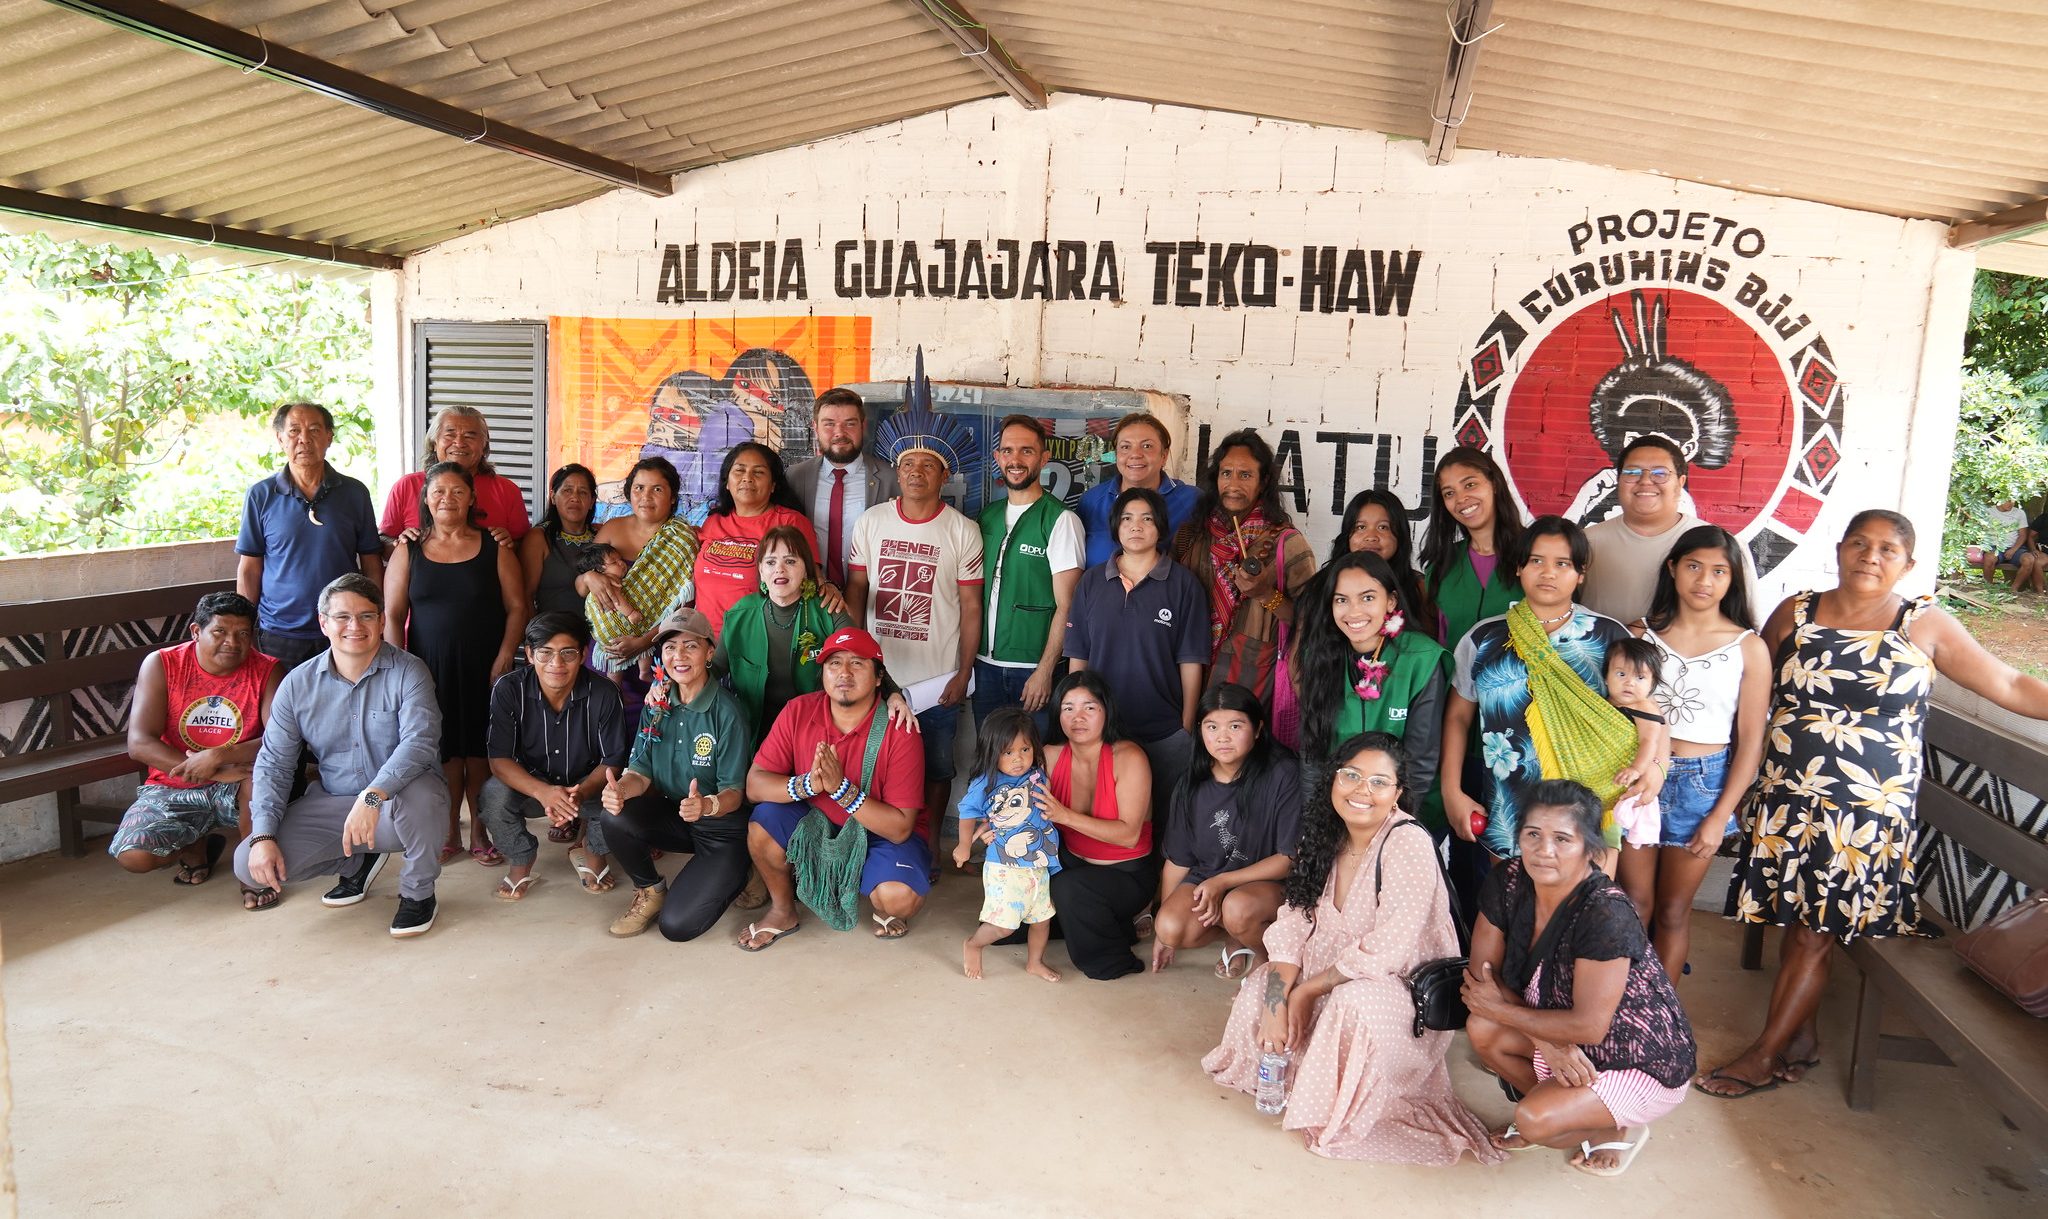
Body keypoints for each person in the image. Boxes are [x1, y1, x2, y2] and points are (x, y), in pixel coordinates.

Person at [1698, 509, 2048, 1098]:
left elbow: (2010, 684)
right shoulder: (1795, 613)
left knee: (1814, 932)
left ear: (1908, 565)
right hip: (1788, 797)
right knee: (1798, 920)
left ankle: (1764, 1054)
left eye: (1888, 549)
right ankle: (1802, 1038)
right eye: (1860, 543)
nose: (1871, 556)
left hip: (1866, 814)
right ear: (1839, 549)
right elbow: (1745, 684)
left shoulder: (1925, 624)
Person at [1203, 734, 1500, 1166]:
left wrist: (1306, 992)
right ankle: (1300, 1079)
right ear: (1333, 779)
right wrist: (1277, 998)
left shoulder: (1407, 842)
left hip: (1391, 989)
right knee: (1262, 987)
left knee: (1351, 1003)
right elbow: (1293, 921)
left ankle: (1331, 1094)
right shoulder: (1324, 834)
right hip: (1328, 973)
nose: (1363, 790)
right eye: (1352, 776)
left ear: (1397, 793)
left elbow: (1388, 948)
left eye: (1379, 782)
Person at [1464, 781, 1696, 1178]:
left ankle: (1611, 1123)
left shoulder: (1604, 913)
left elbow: (1589, 1027)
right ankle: (1585, 1114)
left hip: (1636, 1057)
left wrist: (1514, 1017)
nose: (1544, 850)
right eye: (1532, 835)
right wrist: (1546, 1042)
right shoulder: (1510, 880)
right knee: (1481, 1027)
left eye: (1562, 839)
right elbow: (1481, 979)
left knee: (1534, 1120)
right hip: (1561, 1035)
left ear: (1590, 849)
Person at [233, 573, 448, 936]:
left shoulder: (409, 671)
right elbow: (274, 763)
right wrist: (263, 835)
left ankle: (418, 894)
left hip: (397, 802)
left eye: (366, 616)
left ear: (382, 621)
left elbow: (420, 742)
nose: (355, 626)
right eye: (342, 617)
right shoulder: (297, 684)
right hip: (336, 804)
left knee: (425, 797)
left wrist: (373, 796)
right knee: (247, 864)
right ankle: (357, 864)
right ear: (324, 623)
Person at [1620, 525, 1769, 977]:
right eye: (1694, 566)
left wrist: (1720, 815)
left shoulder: (1749, 647)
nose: (1705, 580)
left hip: (1703, 784)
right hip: (1639, 779)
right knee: (1633, 904)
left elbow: (1750, 742)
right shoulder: (1640, 634)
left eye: (1719, 571)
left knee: (1672, 910)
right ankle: (1622, 1006)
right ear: (1672, 568)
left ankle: (1663, 1013)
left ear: (1733, 579)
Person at [1442, 516, 1636, 859]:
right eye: (1536, 561)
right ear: (1519, 568)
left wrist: (1654, 770)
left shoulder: (1609, 637)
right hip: (1509, 807)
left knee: (1587, 894)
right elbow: (1458, 717)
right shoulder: (1484, 638)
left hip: (1589, 808)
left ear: (1581, 573)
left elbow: (1643, 715)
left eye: (1562, 564)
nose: (1548, 573)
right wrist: (1451, 791)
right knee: (1508, 894)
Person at [738, 627, 930, 946]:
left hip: (878, 832)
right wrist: (807, 784)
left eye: (857, 663)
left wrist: (842, 790)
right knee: (763, 824)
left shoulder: (900, 728)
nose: (844, 673)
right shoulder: (799, 710)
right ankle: (783, 910)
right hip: (818, 821)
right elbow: (755, 786)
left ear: (879, 677)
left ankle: (876, 893)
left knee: (898, 899)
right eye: (834, 663)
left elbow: (899, 829)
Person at [848, 404, 984, 855]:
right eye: (908, 463)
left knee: (937, 768)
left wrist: (963, 672)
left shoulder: (963, 531)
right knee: (872, 765)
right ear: (897, 470)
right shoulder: (872, 521)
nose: (915, 472)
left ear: (945, 475)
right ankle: (873, 846)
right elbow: (856, 590)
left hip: (936, 681)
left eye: (928, 465)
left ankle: (927, 848)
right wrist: (855, 659)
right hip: (879, 676)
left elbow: (971, 606)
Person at [384, 461, 526, 865]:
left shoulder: (495, 546)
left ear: (471, 499)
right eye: (439, 491)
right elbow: (392, 614)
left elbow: (518, 607)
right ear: (426, 499)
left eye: (458, 491)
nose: (448, 498)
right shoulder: (408, 549)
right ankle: (448, 830)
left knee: (480, 750)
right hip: (427, 669)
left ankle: (481, 830)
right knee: (442, 751)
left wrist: (505, 655)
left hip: (486, 665)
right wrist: (399, 669)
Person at [598, 609, 757, 941]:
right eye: (670, 647)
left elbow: (735, 793)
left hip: (722, 828)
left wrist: (707, 805)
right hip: (678, 814)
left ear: (709, 653)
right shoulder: (657, 705)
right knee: (614, 816)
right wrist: (620, 791)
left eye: (691, 646)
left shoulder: (727, 712)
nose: (679, 656)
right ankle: (650, 891)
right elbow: (640, 773)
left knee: (677, 927)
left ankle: (744, 871)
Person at [111, 592, 281, 891]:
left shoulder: (268, 669)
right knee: (133, 856)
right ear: (196, 631)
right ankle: (193, 845)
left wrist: (219, 755)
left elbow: (279, 739)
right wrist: (211, 770)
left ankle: (252, 874)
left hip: (239, 780)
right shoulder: (163, 664)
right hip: (174, 781)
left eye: (243, 633)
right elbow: (139, 742)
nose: (232, 642)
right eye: (219, 632)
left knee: (257, 780)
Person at [1064, 485, 1210, 832]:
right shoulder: (1092, 582)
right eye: (1127, 518)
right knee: (1103, 820)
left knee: (1163, 822)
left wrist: (1186, 726)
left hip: (1164, 731)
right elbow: (1078, 658)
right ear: (1116, 527)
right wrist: (1075, 718)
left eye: (1147, 519)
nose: (1136, 526)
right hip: (1101, 731)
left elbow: (1191, 662)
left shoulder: (1183, 585)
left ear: (1161, 527)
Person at [1289, 551, 1450, 827]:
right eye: (1341, 600)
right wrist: (1314, 824)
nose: (1354, 611)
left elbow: (1419, 765)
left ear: (1391, 601)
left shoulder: (1421, 659)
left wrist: (1390, 830)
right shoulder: (1319, 656)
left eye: (1367, 598)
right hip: (1339, 808)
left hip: (1404, 810)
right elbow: (1313, 754)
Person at [1151, 684, 1301, 979]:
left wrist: (1223, 882)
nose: (1222, 737)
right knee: (1170, 926)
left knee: (1238, 908)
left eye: (1235, 726)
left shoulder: (1282, 774)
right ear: (1200, 731)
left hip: (1268, 885)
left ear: (1257, 730)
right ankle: (1236, 935)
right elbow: (1178, 860)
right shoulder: (1191, 784)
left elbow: (1288, 859)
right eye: (1212, 726)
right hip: (1211, 881)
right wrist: (1162, 934)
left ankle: (1267, 956)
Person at [477, 612, 628, 901]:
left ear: (583, 654)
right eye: (545, 653)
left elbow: (613, 760)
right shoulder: (509, 689)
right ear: (529, 654)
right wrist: (544, 793)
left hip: (587, 787)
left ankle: (593, 852)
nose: (556, 664)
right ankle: (521, 858)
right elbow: (499, 760)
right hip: (531, 786)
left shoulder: (605, 692)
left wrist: (580, 793)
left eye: (567, 653)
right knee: (493, 796)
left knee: (619, 794)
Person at [235, 402, 384, 673]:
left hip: (344, 627)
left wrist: (375, 615)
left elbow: (371, 561)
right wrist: (242, 625)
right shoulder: (261, 495)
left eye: (314, 430)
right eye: (294, 431)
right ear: (280, 439)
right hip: (280, 631)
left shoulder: (355, 493)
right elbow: (250, 568)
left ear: (329, 437)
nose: (304, 439)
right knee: (283, 700)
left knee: (345, 698)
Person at [1173, 429, 1317, 704]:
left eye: (1245, 475)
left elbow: (1312, 620)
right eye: (1226, 473)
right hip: (1187, 675)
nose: (1233, 483)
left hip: (1250, 683)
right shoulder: (1190, 536)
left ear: (1263, 482)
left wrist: (1266, 595)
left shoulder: (1287, 544)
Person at [1040, 672, 1156, 980]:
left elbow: (1129, 835)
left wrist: (1064, 816)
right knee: (1017, 880)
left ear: (1107, 710)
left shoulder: (1129, 756)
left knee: (1069, 889)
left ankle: (1114, 960)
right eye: (1068, 708)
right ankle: (1106, 925)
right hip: (1073, 863)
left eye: (1089, 707)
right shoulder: (1050, 755)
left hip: (1126, 876)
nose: (1077, 717)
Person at [974, 414, 1085, 732]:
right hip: (985, 668)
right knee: (989, 757)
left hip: (1032, 670)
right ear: (997, 457)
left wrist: (1045, 670)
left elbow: (1068, 606)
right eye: (1008, 451)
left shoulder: (1060, 520)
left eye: (1027, 451)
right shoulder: (987, 517)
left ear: (1044, 458)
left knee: (1035, 757)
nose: (1016, 460)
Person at [1581, 436, 1756, 625]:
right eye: (1632, 472)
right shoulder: (1587, 542)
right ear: (1619, 480)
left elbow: (1746, 623)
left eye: (1660, 473)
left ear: (1680, 483)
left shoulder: (1723, 547)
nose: (1645, 481)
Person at [956, 707, 1061, 982]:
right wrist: (964, 845)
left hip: (1038, 863)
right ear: (992, 752)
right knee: (1004, 926)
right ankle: (974, 944)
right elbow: (967, 811)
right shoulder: (986, 781)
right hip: (1004, 865)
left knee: (1042, 920)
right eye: (1008, 752)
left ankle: (1035, 963)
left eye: (1025, 749)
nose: (1018, 759)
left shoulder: (1037, 775)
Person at [721, 524, 849, 741]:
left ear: (806, 570)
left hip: (816, 731)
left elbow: (862, 658)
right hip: (754, 732)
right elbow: (713, 669)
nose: (779, 569)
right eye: (771, 562)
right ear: (761, 571)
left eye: (790, 561)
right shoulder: (740, 614)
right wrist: (674, 683)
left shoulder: (828, 610)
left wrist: (892, 694)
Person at [580, 457, 699, 682]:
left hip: (659, 651)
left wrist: (643, 642)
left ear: (673, 497)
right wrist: (589, 578)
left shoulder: (682, 540)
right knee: (606, 700)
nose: (646, 496)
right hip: (610, 650)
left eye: (657, 489)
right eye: (639, 488)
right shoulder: (612, 528)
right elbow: (580, 587)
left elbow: (685, 605)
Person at [691, 442, 821, 636]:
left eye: (758, 472)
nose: (747, 478)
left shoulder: (790, 522)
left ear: (773, 485)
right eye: (739, 470)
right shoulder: (712, 522)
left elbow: (813, 583)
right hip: (705, 642)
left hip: (761, 641)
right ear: (727, 482)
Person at [784, 387, 897, 593]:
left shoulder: (891, 478)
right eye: (829, 424)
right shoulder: (795, 477)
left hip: (871, 596)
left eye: (849, 423)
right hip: (811, 596)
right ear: (815, 427)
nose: (839, 433)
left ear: (863, 426)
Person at [379, 404, 532, 547]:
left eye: (469, 436)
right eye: (450, 435)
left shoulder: (507, 490)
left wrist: (509, 544)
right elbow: (383, 541)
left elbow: (525, 547)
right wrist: (401, 544)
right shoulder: (407, 486)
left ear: (484, 444)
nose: (459, 443)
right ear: (434, 443)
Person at [1419, 445, 1523, 650]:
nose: (1461, 499)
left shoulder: (1536, 554)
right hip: (1456, 672)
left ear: (1494, 483)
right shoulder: (1441, 566)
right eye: (1449, 493)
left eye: (1470, 484)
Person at [1077, 411, 1200, 568]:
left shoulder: (1192, 501)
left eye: (1147, 446)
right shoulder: (1091, 501)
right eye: (1125, 447)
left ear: (1164, 455)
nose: (1135, 454)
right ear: (1116, 455)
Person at [1600, 639, 1670, 850]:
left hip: (1625, 780)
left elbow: (1649, 741)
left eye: (1640, 677)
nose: (1629, 683)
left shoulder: (1644, 708)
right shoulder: (1603, 703)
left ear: (1652, 683)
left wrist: (1636, 769)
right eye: (1621, 674)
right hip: (1602, 776)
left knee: (1608, 839)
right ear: (1606, 676)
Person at [1330, 488, 1430, 635]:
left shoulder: (1419, 588)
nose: (1371, 537)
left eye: (1383, 527)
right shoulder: (1325, 584)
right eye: (1361, 527)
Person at [519, 464, 600, 620]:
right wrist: (536, 633)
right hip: (553, 630)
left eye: (583, 492)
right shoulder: (539, 537)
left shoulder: (601, 535)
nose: (575, 498)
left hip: (598, 632)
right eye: (567, 490)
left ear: (591, 501)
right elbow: (526, 596)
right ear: (553, 497)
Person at [1979, 497, 2042, 591]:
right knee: (1989, 558)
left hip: (2016, 547)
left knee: (2029, 560)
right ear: (1999, 498)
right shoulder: (1988, 512)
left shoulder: (2019, 513)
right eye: (2008, 500)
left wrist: (2013, 550)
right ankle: (1989, 588)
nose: (2011, 503)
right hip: (1995, 546)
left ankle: (2013, 589)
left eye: (2013, 500)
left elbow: (2023, 535)